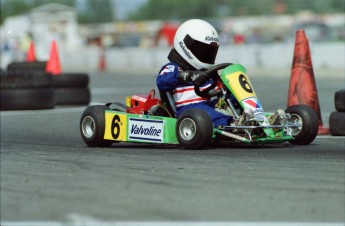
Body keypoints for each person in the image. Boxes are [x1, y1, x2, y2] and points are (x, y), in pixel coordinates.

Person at [156, 19, 233, 127]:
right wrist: (186, 76)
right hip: (187, 111)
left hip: (206, 106)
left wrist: (227, 88)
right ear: (185, 45)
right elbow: (162, 81)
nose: (206, 54)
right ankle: (230, 123)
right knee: (206, 113)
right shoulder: (174, 68)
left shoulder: (206, 72)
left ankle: (253, 117)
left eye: (209, 51)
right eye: (202, 50)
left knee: (233, 101)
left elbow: (216, 90)